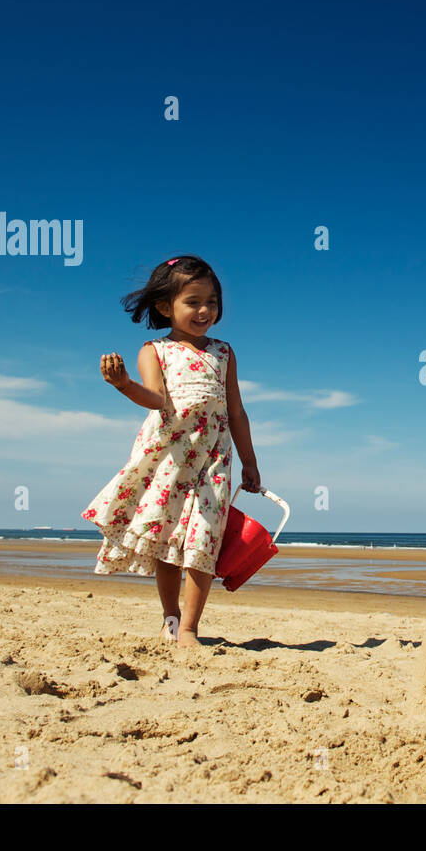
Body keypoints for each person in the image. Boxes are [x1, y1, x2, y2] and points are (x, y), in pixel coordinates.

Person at [81, 256, 263, 647]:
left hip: (214, 460)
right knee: (169, 541)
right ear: (166, 307)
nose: (204, 310)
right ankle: (171, 618)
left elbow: (236, 411)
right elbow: (155, 398)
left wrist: (250, 461)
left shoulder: (224, 352)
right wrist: (124, 384)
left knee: (204, 540)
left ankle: (190, 629)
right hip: (171, 460)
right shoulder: (155, 350)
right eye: (193, 302)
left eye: (211, 301)